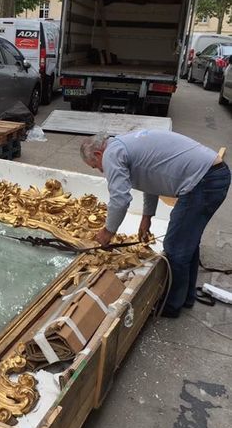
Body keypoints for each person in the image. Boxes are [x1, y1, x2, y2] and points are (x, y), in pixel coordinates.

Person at [80, 130, 230, 318]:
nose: (101, 171)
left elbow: (120, 200)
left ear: (97, 154)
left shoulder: (112, 154)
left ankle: (171, 305)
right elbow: (151, 181)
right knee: (187, 242)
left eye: (96, 166)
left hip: (203, 181)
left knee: (174, 247)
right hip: (213, 175)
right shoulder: (124, 144)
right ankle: (186, 298)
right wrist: (147, 216)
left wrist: (108, 231)